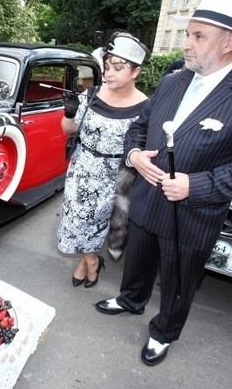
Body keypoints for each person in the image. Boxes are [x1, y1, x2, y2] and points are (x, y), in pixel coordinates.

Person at [95, 0, 232, 366]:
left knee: (178, 281)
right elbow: (140, 127)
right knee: (137, 258)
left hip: (193, 216)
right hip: (147, 201)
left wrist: (194, 185)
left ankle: (164, 331)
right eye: (187, 34)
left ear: (231, 41)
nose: (185, 44)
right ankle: (131, 299)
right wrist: (135, 155)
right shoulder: (173, 81)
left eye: (197, 36)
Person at [57, 32, 149, 289]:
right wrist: (69, 111)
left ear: (135, 72)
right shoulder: (92, 93)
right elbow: (69, 129)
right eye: (107, 67)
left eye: (118, 68)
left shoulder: (146, 107)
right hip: (82, 168)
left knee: (97, 224)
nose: (109, 73)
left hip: (115, 177)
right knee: (76, 220)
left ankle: (88, 262)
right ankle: (92, 261)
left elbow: (144, 147)